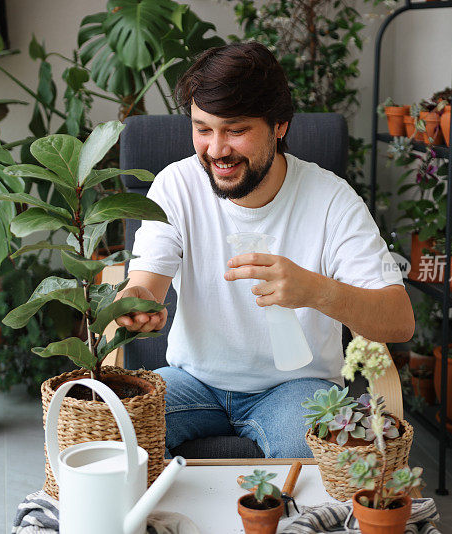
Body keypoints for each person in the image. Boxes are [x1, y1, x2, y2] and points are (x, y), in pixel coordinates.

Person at [114, 42, 414, 458]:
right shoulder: (176, 185)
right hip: (194, 380)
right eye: (203, 129)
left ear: (279, 126)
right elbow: (148, 281)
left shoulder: (332, 199)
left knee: (314, 467)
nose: (216, 150)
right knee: (109, 431)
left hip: (298, 387)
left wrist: (314, 290)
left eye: (235, 130)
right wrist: (138, 302)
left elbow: (399, 321)